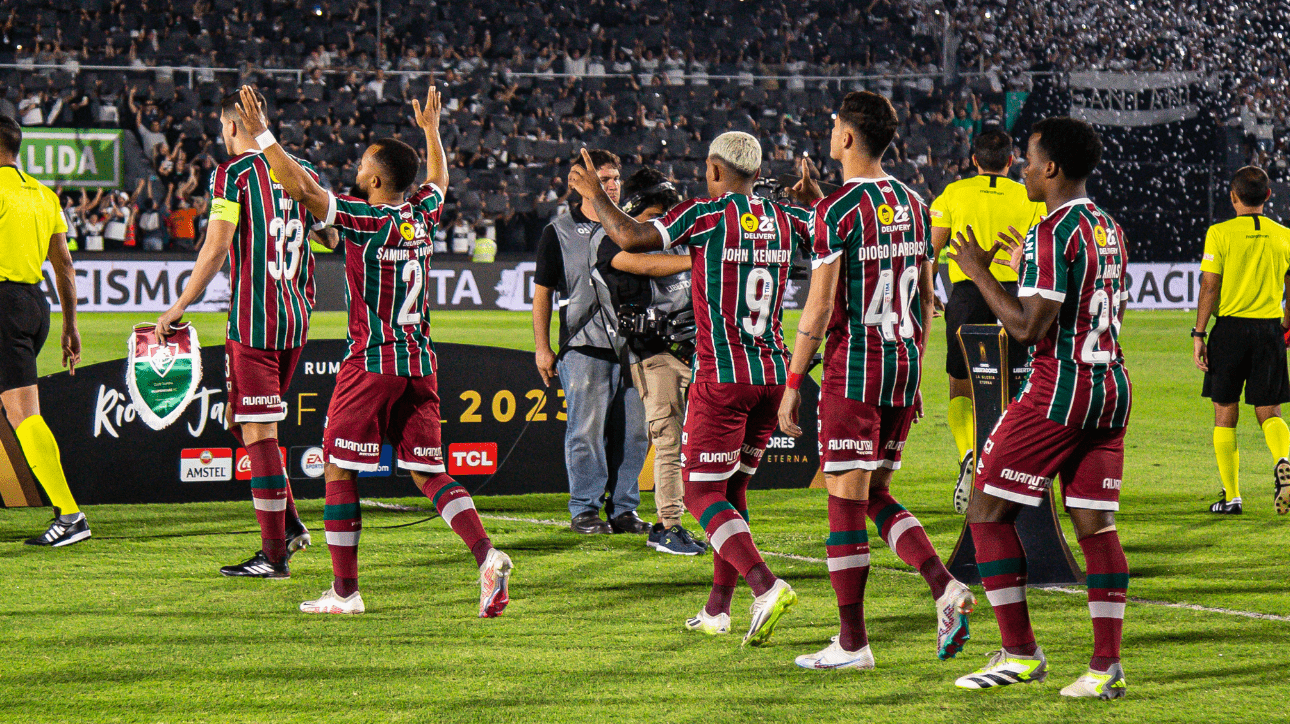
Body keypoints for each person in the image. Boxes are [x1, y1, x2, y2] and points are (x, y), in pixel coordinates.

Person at [233, 85, 513, 617]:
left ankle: (345, 593)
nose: (356, 169)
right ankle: (486, 555)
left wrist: (263, 134)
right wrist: (431, 130)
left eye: (363, 165)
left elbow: (299, 187)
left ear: (377, 181)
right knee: (429, 472)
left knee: (338, 470)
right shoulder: (422, 215)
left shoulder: (369, 221)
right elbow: (439, 180)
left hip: (372, 362)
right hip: (420, 364)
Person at [569, 132, 811, 647]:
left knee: (702, 493)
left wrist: (598, 199)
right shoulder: (786, 219)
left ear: (717, 170)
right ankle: (717, 609)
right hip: (773, 374)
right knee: (734, 491)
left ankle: (764, 587)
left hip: (722, 376)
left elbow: (632, 239)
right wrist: (813, 193)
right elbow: (827, 233)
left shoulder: (707, 214)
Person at [778, 91, 976, 671]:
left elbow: (817, 307)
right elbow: (926, 299)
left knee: (844, 502)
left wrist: (794, 380)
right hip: (902, 365)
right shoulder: (914, 202)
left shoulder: (833, 212)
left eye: (835, 125)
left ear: (845, 138)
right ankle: (944, 586)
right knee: (876, 495)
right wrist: (913, 372)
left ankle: (852, 643)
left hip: (855, 369)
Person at [948, 117, 1132, 699]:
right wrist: (1025, 262)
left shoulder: (1051, 231)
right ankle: (1106, 667)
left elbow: (1028, 327)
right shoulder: (1106, 225)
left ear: (1050, 168)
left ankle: (1021, 653)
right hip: (1111, 386)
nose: (1023, 168)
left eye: (1029, 158)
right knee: (1095, 526)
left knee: (984, 508)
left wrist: (980, 272)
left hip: (1062, 389)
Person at [157, 90, 317, 579]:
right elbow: (331, 235)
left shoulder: (231, 175)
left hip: (254, 323)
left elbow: (215, 248)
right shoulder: (302, 168)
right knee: (241, 419)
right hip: (297, 318)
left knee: (258, 430)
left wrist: (179, 305)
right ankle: (288, 525)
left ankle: (273, 555)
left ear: (230, 127)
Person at [532, 150, 651, 536]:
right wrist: (542, 346)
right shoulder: (559, 231)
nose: (613, 185)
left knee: (635, 432)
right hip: (583, 345)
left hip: (634, 344)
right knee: (586, 430)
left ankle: (624, 509)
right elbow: (543, 292)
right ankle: (584, 509)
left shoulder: (635, 228)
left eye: (616, 178)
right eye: (603, 178)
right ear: (577, 182)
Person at [929, 128, 1046, 513]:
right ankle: (1007, 466)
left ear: (973, 160)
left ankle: (969, 453)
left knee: (961, 388)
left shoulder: (953, 194)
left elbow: (933, 247)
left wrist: (929, 287)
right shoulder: (1027, 196)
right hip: (1013, 296)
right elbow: (1042, 244)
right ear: (1012, 161)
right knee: (1014, 389)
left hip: (966, 296)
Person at [594, 167, 706, 555]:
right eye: (653, 212)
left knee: (700, 442)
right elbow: (641, 264)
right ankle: (667, 526)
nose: (659, 221)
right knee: (669, 441)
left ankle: (703, 520)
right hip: (655, 354)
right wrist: (696, 260)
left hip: (698, 351)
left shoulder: (679, 231)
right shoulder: (610, 242)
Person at [0, 114, 89, 546]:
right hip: (35, 305)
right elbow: (65, 266)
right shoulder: (43, 195)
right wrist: (71, 326)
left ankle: (70, 515)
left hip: (2, 305)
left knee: (24, 415)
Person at [1192, 166, 1290, 515]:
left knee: (1224, 412)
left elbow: (1210, 285)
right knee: (1270, 411)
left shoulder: (1219, 233)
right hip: (1269, 330)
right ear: (1267, 196)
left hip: (1230, 330)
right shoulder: (1285, 235)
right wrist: (1286, 324)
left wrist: (1199, 333)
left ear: (1233, 197)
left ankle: (1232, 497)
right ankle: (1283, 459)